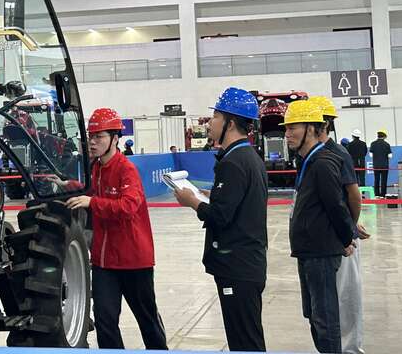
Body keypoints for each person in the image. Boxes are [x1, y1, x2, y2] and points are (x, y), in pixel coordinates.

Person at [66, 108, 167, 350]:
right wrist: (68, 185)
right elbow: (92, 192)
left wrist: (93, 203)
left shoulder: (126, 170)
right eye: (90, 136)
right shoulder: (96, 168)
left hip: (134, 262)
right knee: (104, 320)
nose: (92, 142)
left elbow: (128, 206)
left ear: (114, 139)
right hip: (104, 262)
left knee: (147, 320)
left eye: (98, 137)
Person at [174, 88, 267, 352]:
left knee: (244, 342)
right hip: (248, 263)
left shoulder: (234, 162)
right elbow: (238, 203)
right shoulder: (248, 157)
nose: (210, 123)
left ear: (231, 123)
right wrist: (212, 195)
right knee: (247, 337)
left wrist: (192, 201)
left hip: (237, 266)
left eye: (215, 117)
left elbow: (220, 216)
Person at [283, 100, 355, 354]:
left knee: (325, 318)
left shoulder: (323, 162)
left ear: (312, 129)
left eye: (293, 127)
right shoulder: (308, 161)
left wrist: (346, 238)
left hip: (321, 252)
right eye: (286, 128)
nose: (287, 134)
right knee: (314, 315)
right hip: (308, 250)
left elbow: (336, 205)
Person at [312, 96, 367, 354]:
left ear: (322, 124)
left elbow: (353, 195)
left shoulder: (336, 153)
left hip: (341, 238)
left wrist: (350, 230)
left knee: (346, 296)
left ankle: (350, 349)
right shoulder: (313, 155)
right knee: (328, 300)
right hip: (325, 239)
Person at [369, 129, 392, 197]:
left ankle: (377, 194)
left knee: (376, 179)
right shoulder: (387, 144)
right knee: (384, 180)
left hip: (376, 165)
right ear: (384, 136)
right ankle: (383, 194)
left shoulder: (373, 143)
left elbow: (370, 155)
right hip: (385, 165)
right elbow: (390, 156)